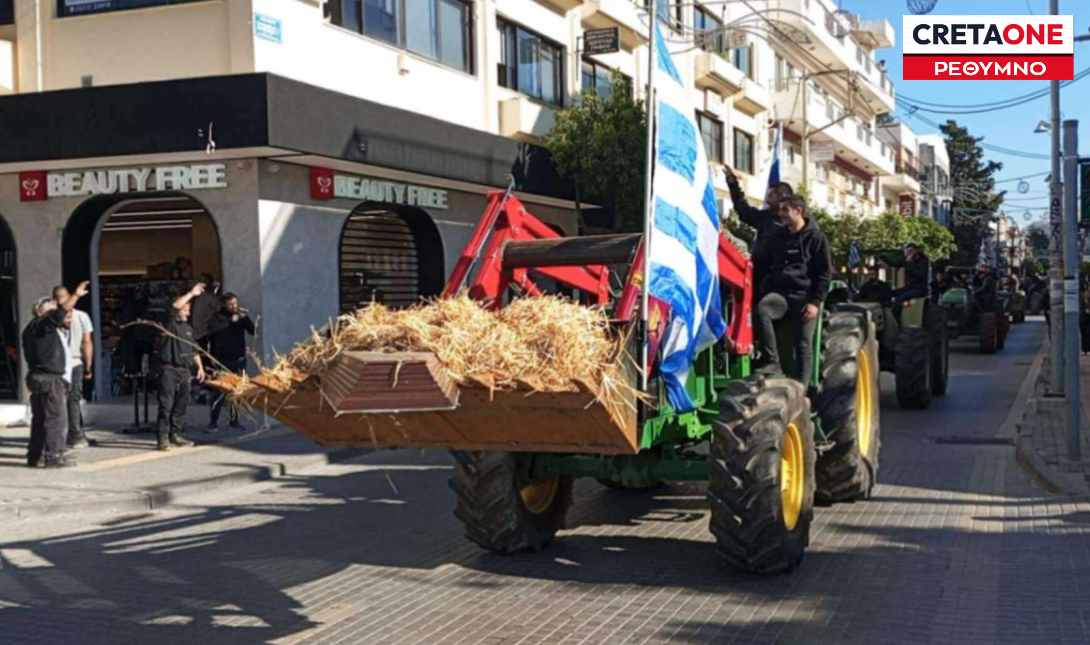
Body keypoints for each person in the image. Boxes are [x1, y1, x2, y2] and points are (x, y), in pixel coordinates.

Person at [754, 195, 832, 384]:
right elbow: (761, 262)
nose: (780, 215)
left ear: (798, 211)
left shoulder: (817, 238)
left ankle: (801, 391)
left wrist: (815, 303)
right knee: (762, 310)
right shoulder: (777, 238)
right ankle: (772, 362)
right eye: (780, 210)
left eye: (785, 210)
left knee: (803, 344)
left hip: (804, 297)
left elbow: (825, 273)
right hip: (780, 294)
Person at [23, 282, 87, 468]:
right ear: (42, 312)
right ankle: (53, 457)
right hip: (49, 379)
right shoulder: (41, 326)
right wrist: (75, 295)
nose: (58, 313)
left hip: (43, 377)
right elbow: (58, 316)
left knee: (42, 419)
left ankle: (37, 455)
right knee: (56, 419)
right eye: (52, 310)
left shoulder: (40, 329)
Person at [722, 165, 794, 289]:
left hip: (783, 282)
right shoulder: (765, 218)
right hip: (759, 277)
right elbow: (743, 210)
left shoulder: (796, 223)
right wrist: (733, 184)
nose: (768, 196)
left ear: (782, 196)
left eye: (772, 194)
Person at [156, 283, 207, 451]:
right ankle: (162, 437)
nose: (188, 313)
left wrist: (200, 368)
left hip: (184, 371)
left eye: (188, 310)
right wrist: (191, 293)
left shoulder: (188, 329)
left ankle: (175, 433)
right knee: (166, 405)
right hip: (169, 369)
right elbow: (174, 306)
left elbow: (194, 350)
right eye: (186, 310)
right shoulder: (169, 324)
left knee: (182, 404)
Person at [51, 285, 94, 449]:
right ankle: (75, 434)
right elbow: (87, 342)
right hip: (75, 362)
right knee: (74, 399)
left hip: (58, 363)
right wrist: (88, 365)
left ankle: (72, 432)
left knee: (63, 399)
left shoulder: (52, 317)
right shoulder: (82, 316)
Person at [207, 293, 255, 432]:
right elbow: (213, 331)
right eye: (230, 304)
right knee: (220, 391)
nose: (234, 306)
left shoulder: (240, 315)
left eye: (235, 303)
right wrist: (230, 321)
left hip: (239, 359)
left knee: (237, 390)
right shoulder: (218, 317)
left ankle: (234, 420)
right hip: (223, 359)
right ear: (224, 305)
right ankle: (213, 421)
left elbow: (252, 331)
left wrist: (245, 319)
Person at [889, 244, 931, 315]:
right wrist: (883, 257)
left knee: (899, 299)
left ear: (916, 251)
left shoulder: (923, 260)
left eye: (911, 251)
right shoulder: (907, 260)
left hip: (919, 288)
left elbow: (919, 274)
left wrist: (910, 263)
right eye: (907, 251)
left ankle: (896, 319)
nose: (909, 254)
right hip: (909, 287)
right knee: (888, 294)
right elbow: (895, 264)